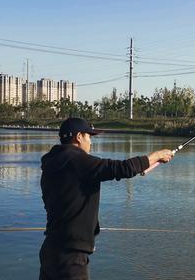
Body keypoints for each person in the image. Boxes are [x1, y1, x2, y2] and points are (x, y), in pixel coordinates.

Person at [39, 117, 173, 280]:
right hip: (71, 257)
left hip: (51, 250)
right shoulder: (78, 160)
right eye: (89, 136)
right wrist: (157, 155)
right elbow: (121, 169)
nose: (91, 142)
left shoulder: (51, 166)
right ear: (79, 136)